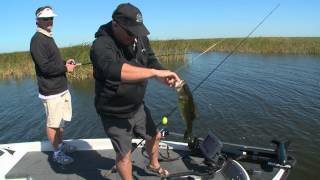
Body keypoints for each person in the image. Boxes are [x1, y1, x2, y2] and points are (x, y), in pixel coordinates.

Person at [90, 3, 181, 179]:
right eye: (130, 32)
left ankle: (154, 165)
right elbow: (114, 70)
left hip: (137, 106)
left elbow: (151, 60)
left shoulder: (138, 37)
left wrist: (162, 73)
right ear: (116, 24)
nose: (135, 37)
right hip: (114, 112)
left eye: (137, 32)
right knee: (124, 155)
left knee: (154, 136)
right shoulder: (101, 45)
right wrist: (154, 74)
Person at [30, 6, 77, 165]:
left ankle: (61, 144)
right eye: (45, 19)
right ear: (37, 20)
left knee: (60, 122)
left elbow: (53, 62)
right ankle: (57, 153)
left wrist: (65, 63)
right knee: (53, 124)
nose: (49, 21)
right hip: (51, 92)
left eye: (51, 18)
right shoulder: (37, 40)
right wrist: (65, 68)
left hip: (61, 89)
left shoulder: (48, 37)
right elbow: (45, 68)